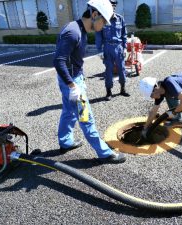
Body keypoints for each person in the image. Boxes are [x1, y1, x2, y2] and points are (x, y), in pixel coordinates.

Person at [53, 0, 126, 164]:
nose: (105, 25)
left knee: (68, 112)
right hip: (71, 82)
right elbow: (58, 61)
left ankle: (65, 141)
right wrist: (73, 87)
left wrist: (79, 78)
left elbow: (73, 59)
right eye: (104, 21)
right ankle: (104, 153)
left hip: (73, 78)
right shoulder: (73, 32)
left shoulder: (80, 29)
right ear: (94, 15)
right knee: (86, 117)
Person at [95, 0, 130, 101]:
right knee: (108, 70)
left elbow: (124, 34)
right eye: (111, 6)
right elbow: (98, 36)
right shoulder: (101, 20)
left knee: (122, 69)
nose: (113, 8)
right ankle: (108, 92)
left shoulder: (120, 18)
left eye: (114, 6)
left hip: (119, 47)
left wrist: (124, 48)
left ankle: (123, 89)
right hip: (107, 47)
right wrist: (99, 50)